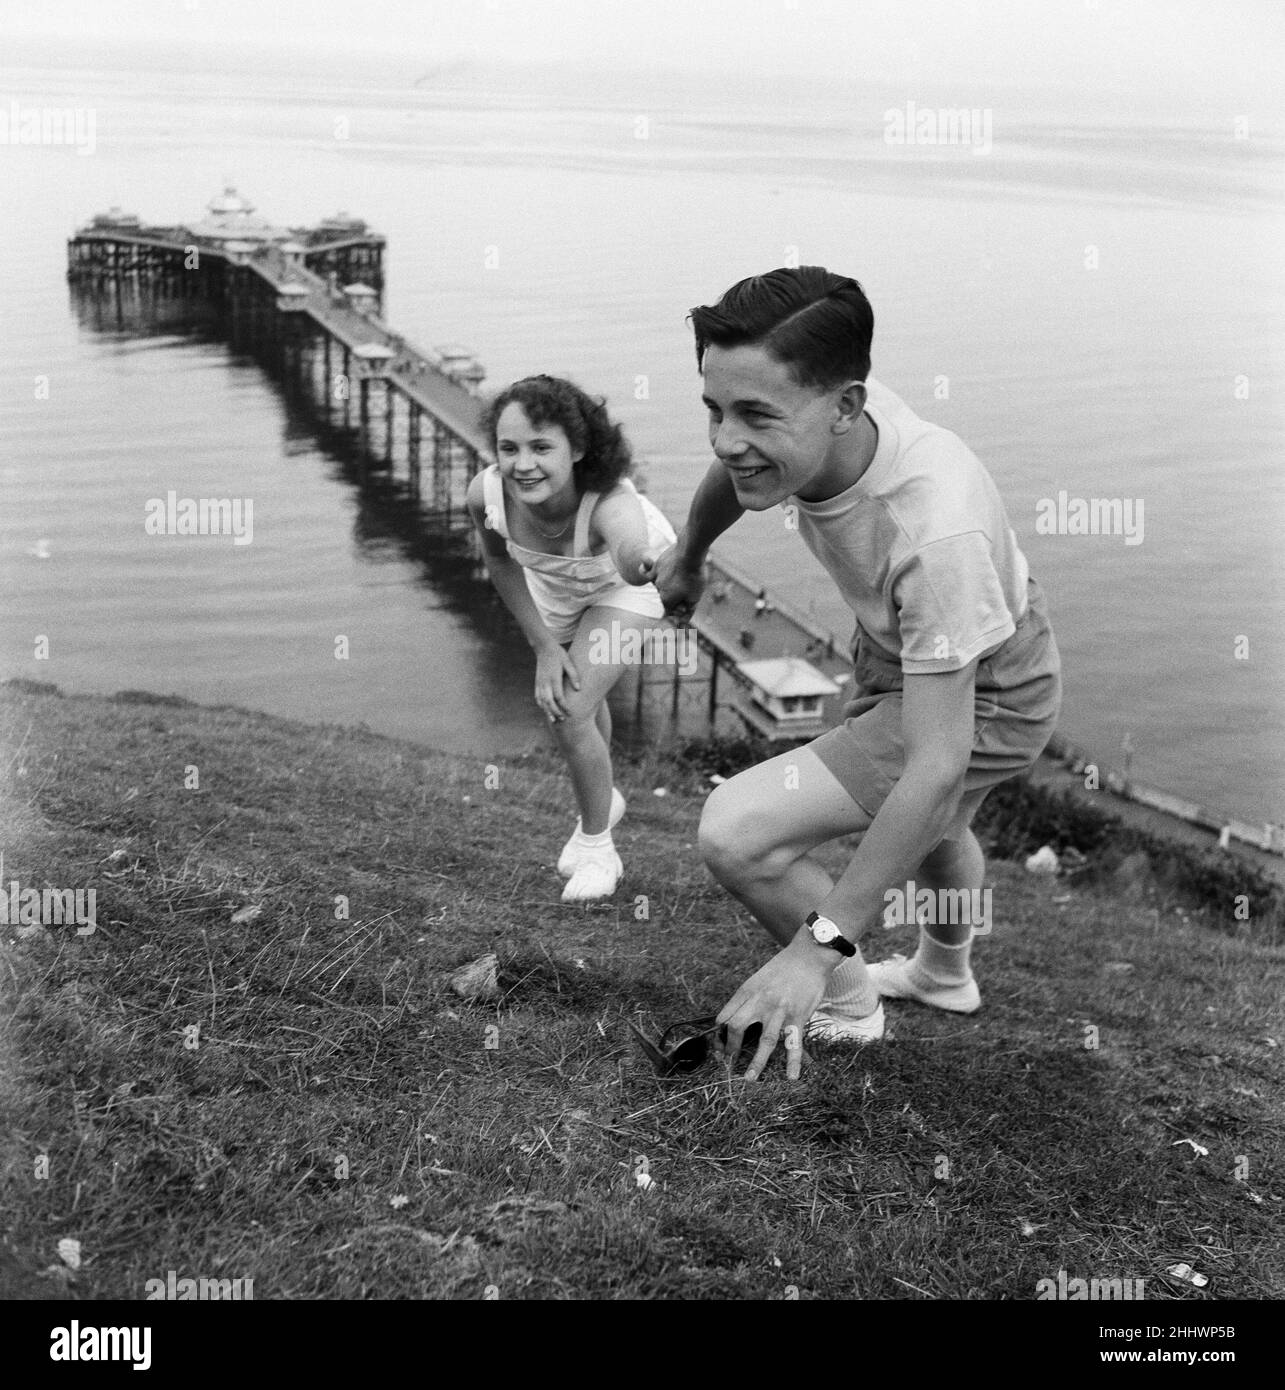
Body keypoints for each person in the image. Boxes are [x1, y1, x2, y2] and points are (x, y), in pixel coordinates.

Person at [655, 267, 1061, 1081]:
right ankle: (943, 977)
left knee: (737, 831)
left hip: (986, 688)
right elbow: (737, 472)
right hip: (913, 641)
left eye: (755, 415)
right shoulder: (826, 409)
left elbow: (935, 764)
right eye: (714, 408)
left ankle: (844, 1002)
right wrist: (689, 558)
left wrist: (815, 950)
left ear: (846, 404)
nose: (726, 439)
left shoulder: (931, 534)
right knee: (940, 830)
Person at [466, 375, 675, 902]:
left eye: (541, 447)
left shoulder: (609, 503)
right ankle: (604, 800)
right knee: (575, 694)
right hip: (553, 583)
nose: (522, 464)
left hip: (623, 587)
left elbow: (630, 551)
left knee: (569, 705)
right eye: (508, 448)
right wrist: (543, 646)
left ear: (578, 448)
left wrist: (646, 562)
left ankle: (598, 847)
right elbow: (497, 560)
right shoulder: (485, 493)